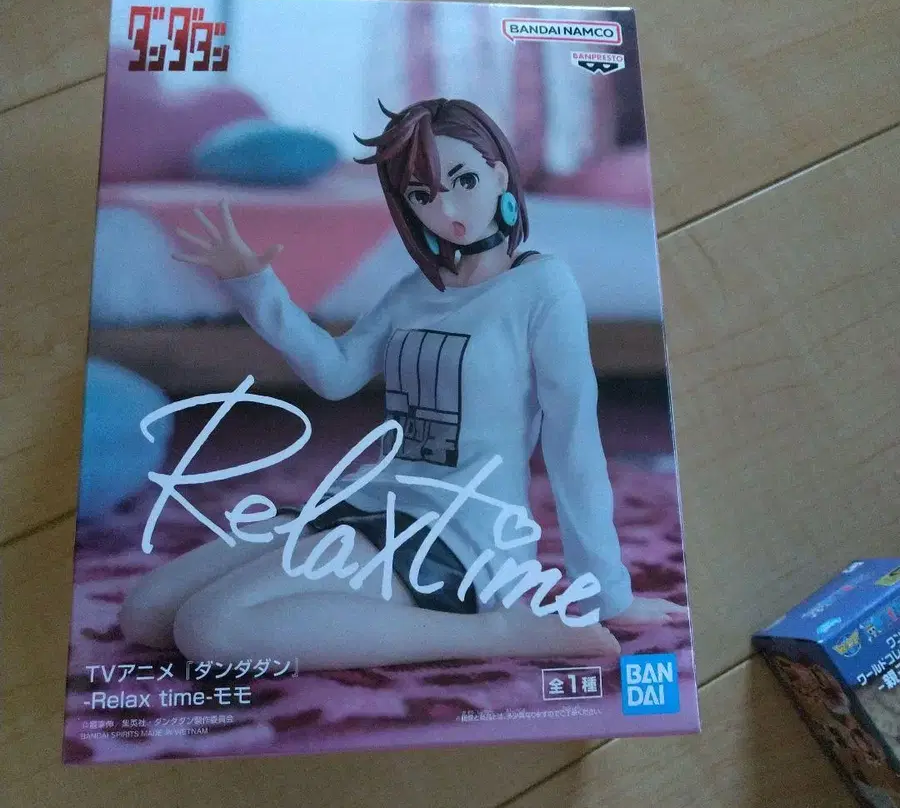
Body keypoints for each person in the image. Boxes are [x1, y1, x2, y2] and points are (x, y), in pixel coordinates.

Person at [119, 98, 685, 670]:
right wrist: (255, 286)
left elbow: (574, 446)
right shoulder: (417, 289)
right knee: (146, 614)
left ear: (498, 173)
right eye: (423, 194)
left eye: (464, 180)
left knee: (212, 629)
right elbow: (336, 375)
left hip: (461, 533)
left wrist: (608, 594)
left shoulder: (543, 287)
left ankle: (499, 631)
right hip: (368, 500)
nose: (448, 208)